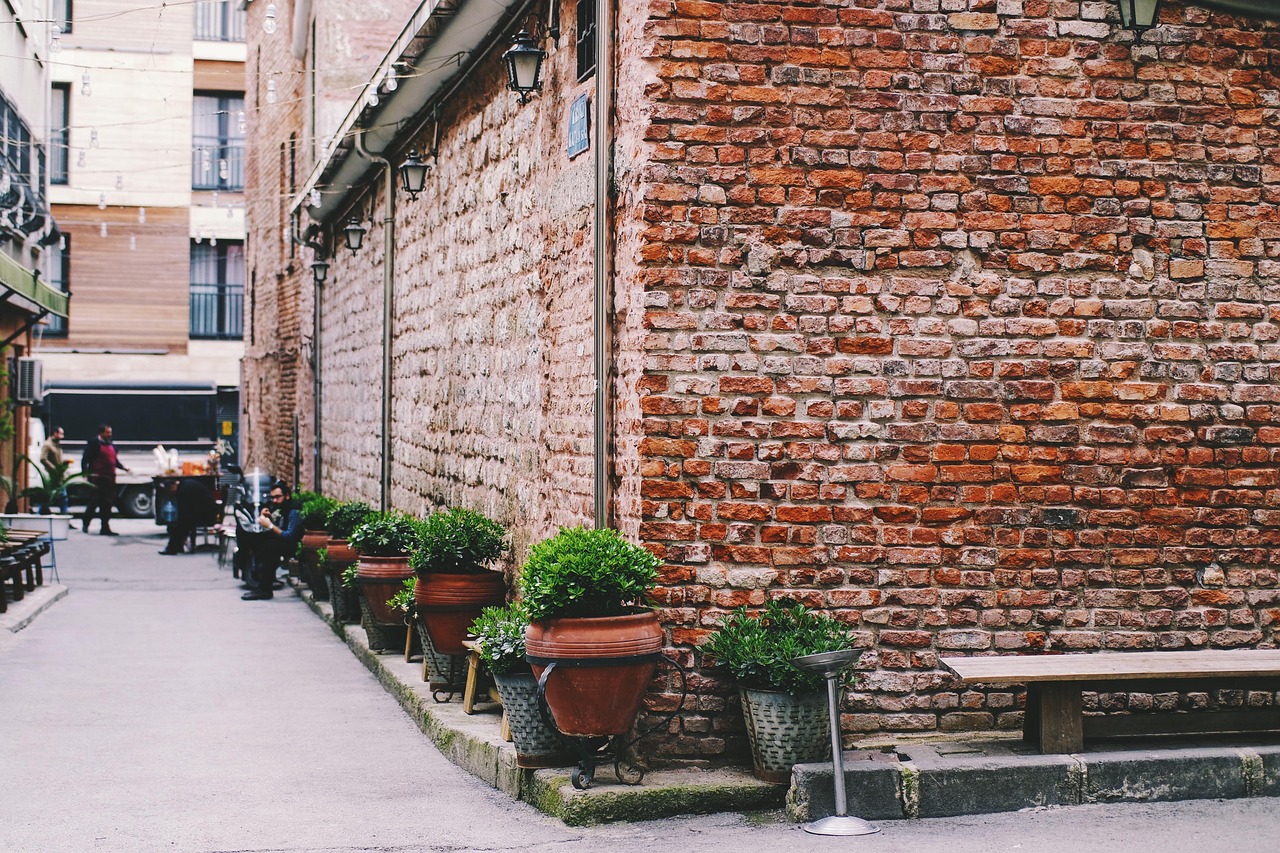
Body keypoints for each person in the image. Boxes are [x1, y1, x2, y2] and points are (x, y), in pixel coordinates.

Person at [242, 480, 301, 601]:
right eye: (273, 497)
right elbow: (279, 530)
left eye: (278, 497)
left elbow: (290, 536)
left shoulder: (294, 511)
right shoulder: (283, 509)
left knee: (270, 547)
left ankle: (265, 589)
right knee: (260, 540)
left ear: (287, 496)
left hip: (295, 545)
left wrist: (269, 525)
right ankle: (262, 583)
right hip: (286, 542)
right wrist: (269, 519)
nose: (274, 500)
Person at [81, 424, 130, 535]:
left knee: (107, 503)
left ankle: (105, 527)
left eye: (110, 432)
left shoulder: (111, 445)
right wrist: (85, 473)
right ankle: (86, 522)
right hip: (97, 478)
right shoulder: (94, 444)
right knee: (94, 502)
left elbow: (114, 461)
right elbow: (85, 459)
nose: (110, 434)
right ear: (101, 433)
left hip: (109, 479)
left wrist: (123, 468)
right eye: (107, 432)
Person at [159, 477, 217, 555]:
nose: (171, 494)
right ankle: (177, 546)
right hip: (207, 511)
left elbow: (184, 512)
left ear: (172, 486)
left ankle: (172, 548)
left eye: (169, 491)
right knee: (182, 523)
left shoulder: (182, 491)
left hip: (205, 514)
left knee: (182, 525)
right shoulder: (185, 484)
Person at [38, 425, 69, 513]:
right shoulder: (48, 445)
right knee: (48, 498)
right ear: (55, 433)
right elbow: (43, 458)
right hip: (52, 476)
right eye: (60, 434)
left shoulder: (57, 445)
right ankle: (40, 515)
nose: (62, 436)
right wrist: (54, 469)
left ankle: (65, 515)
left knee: (63, 498)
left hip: (60, 476)